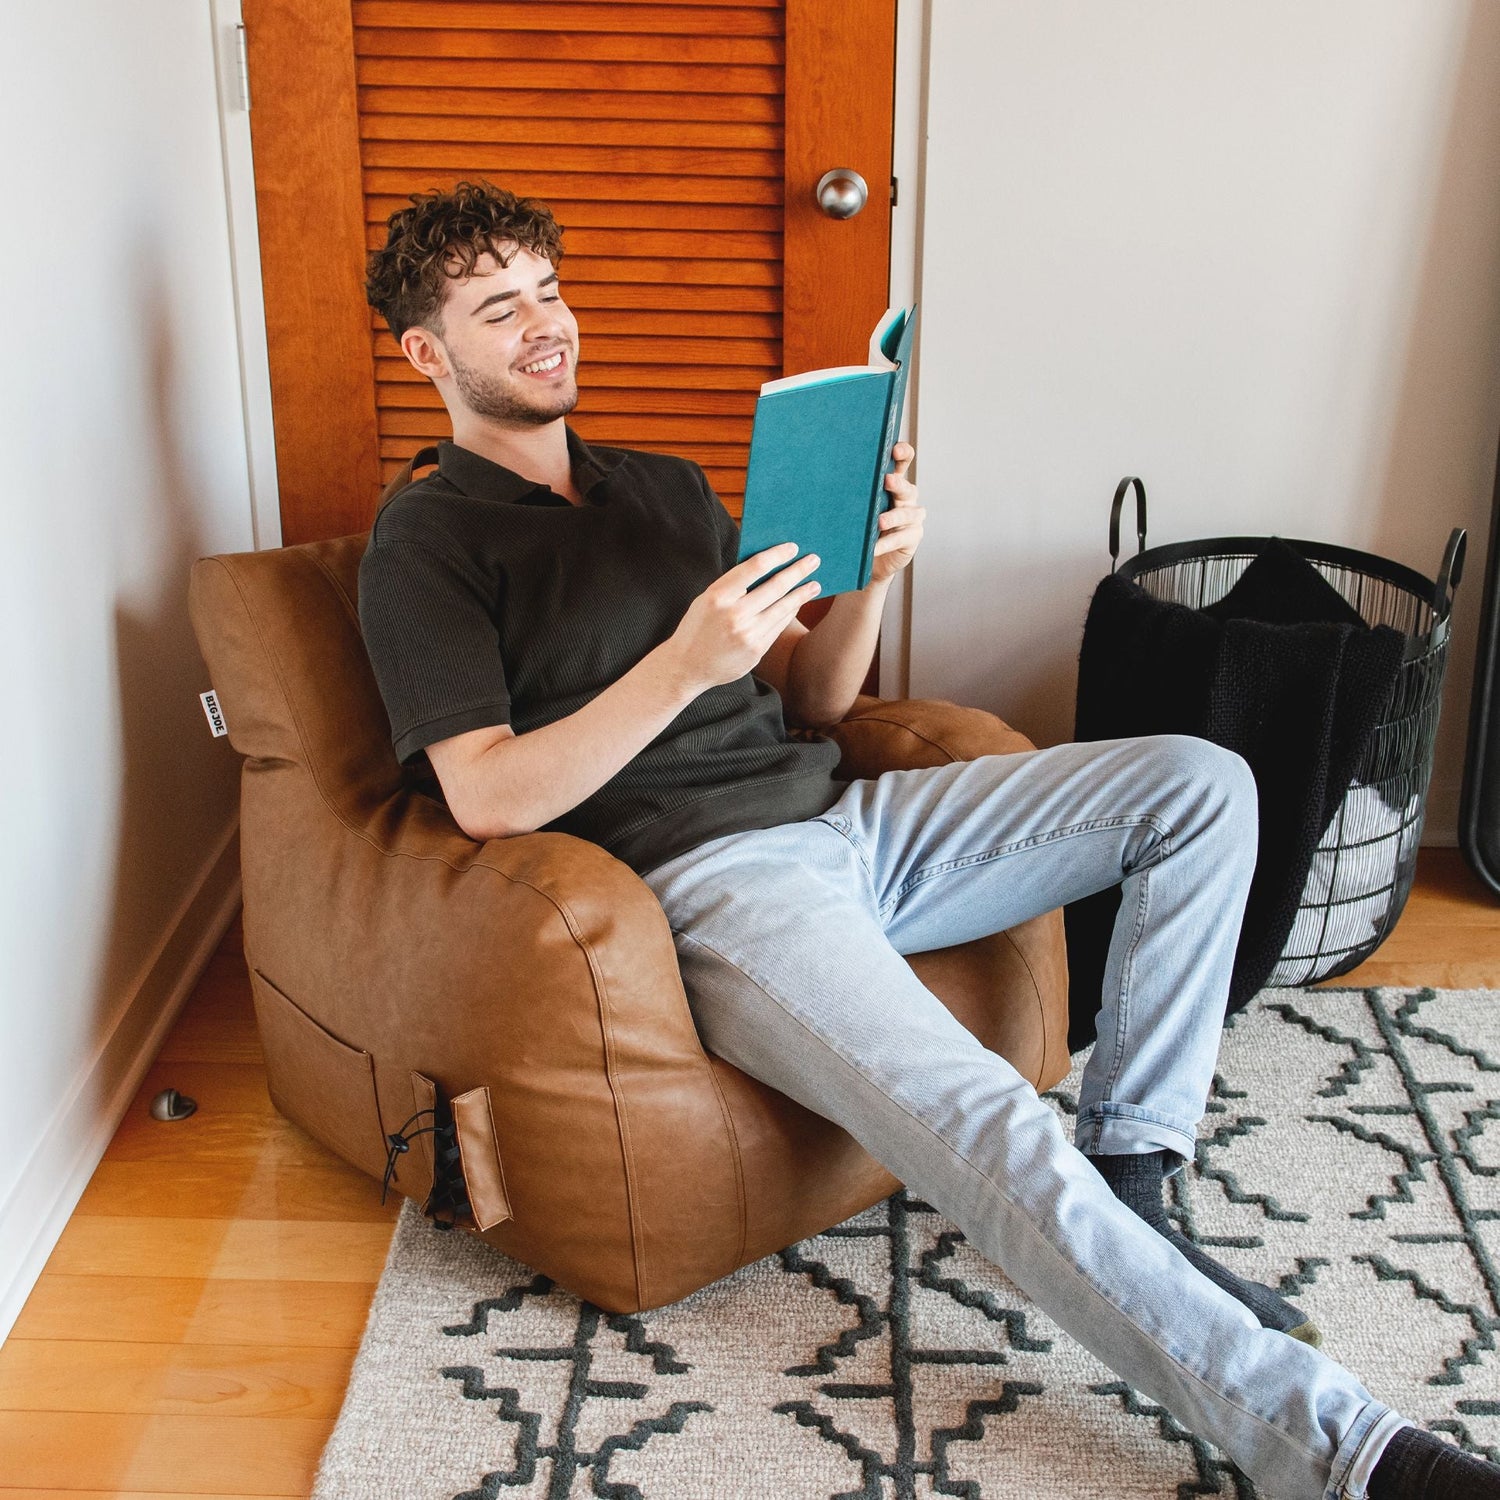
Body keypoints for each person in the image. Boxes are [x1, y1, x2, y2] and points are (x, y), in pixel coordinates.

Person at [356, 180, 1498, 1500]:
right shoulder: (425, 544)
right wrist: (679, 667)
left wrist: (873, 580)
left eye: (551, 291)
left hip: (851, 819)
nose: (546, 324)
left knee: (1200, 783)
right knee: (992, 1122)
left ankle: (1132, 1173)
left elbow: (812, 697)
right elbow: (487, 796)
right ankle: (1345, 1452)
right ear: (428, 352)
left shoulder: (661, 488)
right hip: (719, 883)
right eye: (501, 309)